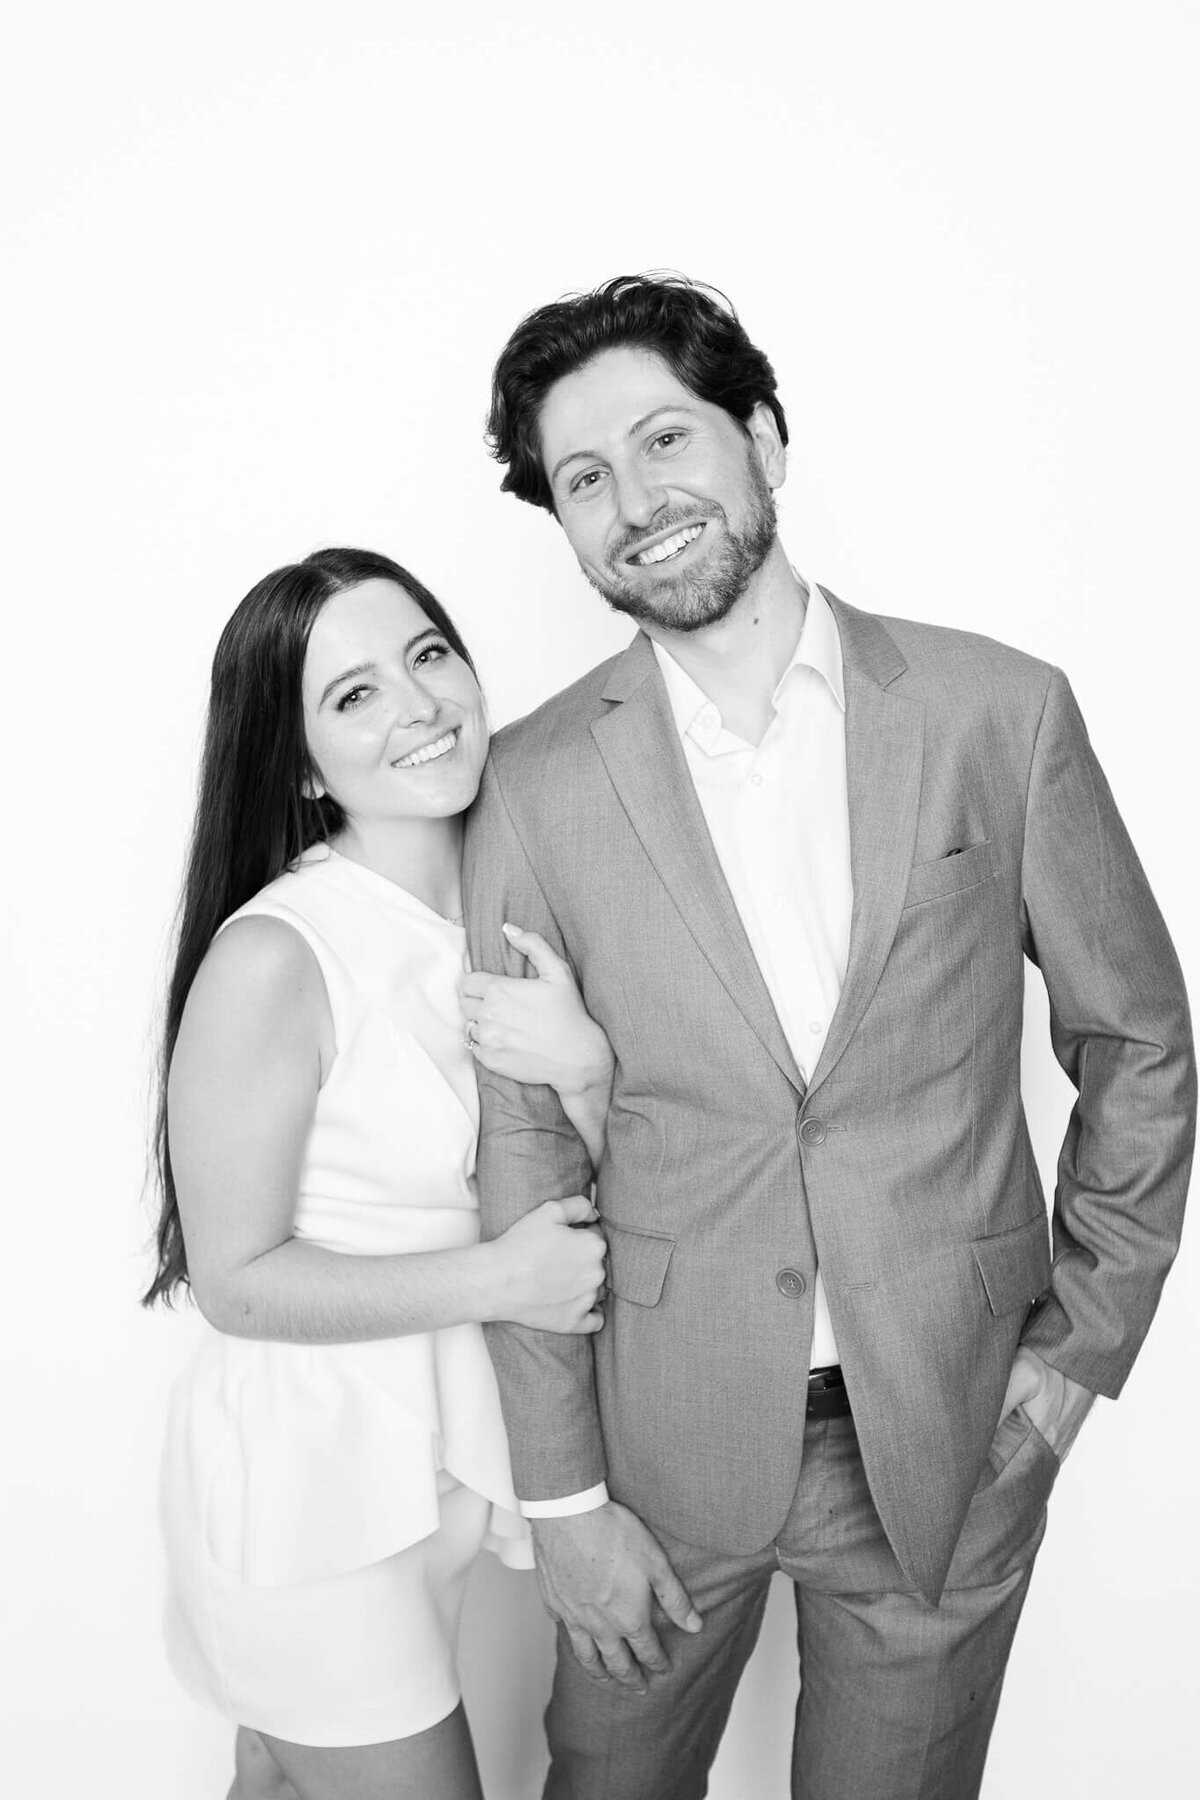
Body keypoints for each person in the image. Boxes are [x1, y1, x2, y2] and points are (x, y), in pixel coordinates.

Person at [460, 276, 1196, 1799]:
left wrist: (1073, 1365)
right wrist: (563, 1498)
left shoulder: (1001, 713)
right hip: (652, 1451)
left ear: (766, 441)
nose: (635, 501)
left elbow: (1141, 1041)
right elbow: (522, 1150)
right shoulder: (531, 782)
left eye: (667, 440)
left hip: (947, 1433)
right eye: (585, 480)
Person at [144, 547, 615, 1800]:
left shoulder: (518, 908)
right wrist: (502, 1279)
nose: (417, 705)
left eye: (428, 655)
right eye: (353, 695)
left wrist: (586, 1077)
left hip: (436, 1467)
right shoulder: (277, 956)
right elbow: (237, 1282)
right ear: (298, 762)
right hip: (309, 1498)